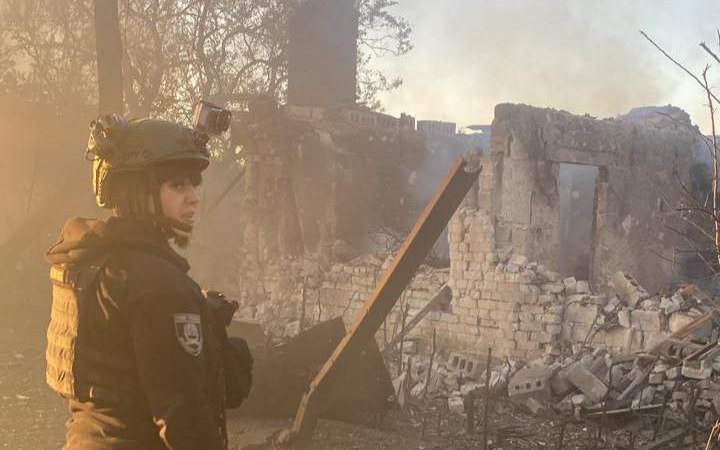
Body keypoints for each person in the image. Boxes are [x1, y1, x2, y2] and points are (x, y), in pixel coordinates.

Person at [45, 114, 251, 450]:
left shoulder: (88, 262)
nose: (193, 197)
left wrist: (202, 319)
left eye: (193, 184)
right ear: (139, 189)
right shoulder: (160, 286)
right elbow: (185, 423)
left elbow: (114, 371)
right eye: (177, 185)